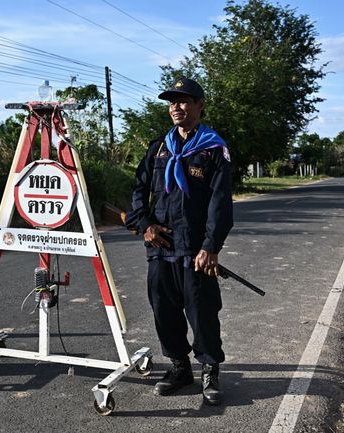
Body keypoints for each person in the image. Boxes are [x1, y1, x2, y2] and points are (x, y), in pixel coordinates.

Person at [125, 77, 233, 405]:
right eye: (172, 101)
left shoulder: (214, 148)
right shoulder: (159, 147)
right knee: (164, 309)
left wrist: (211, 246)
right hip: (160, 247)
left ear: (200, 105)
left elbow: (220, 203)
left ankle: (210, 369)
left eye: (184, 100)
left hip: (196, 249)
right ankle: (179, 366)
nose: (176, 107)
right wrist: (144, 225)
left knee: (201, 311)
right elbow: (139, 190)